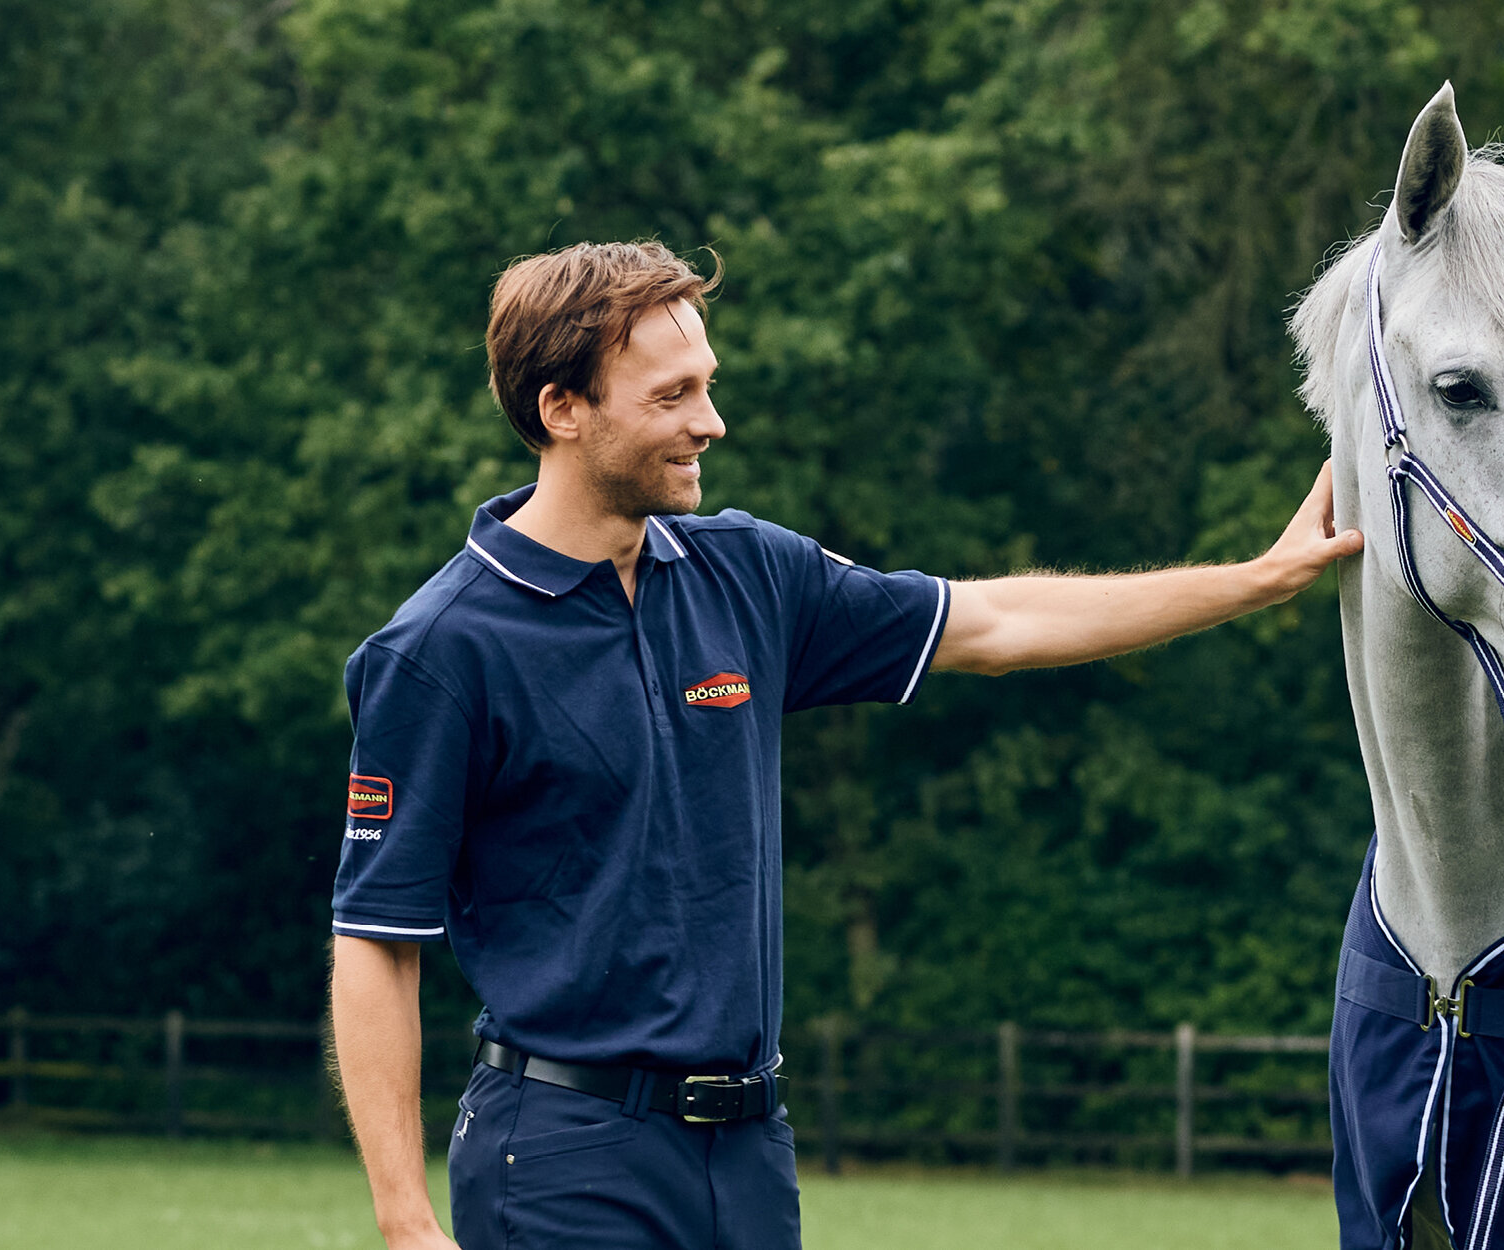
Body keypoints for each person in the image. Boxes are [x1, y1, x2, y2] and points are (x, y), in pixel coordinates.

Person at [326, 240, 1366, 1250]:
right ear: (562, 409)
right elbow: (376, 939)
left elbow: (998, 624)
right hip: (563, 1155)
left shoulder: (749, 573)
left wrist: (1253, 581)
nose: (710, 422)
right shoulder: (439, 651)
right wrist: (406, 1223)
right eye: (672, 396)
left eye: (707, 385)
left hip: (749, 1153)